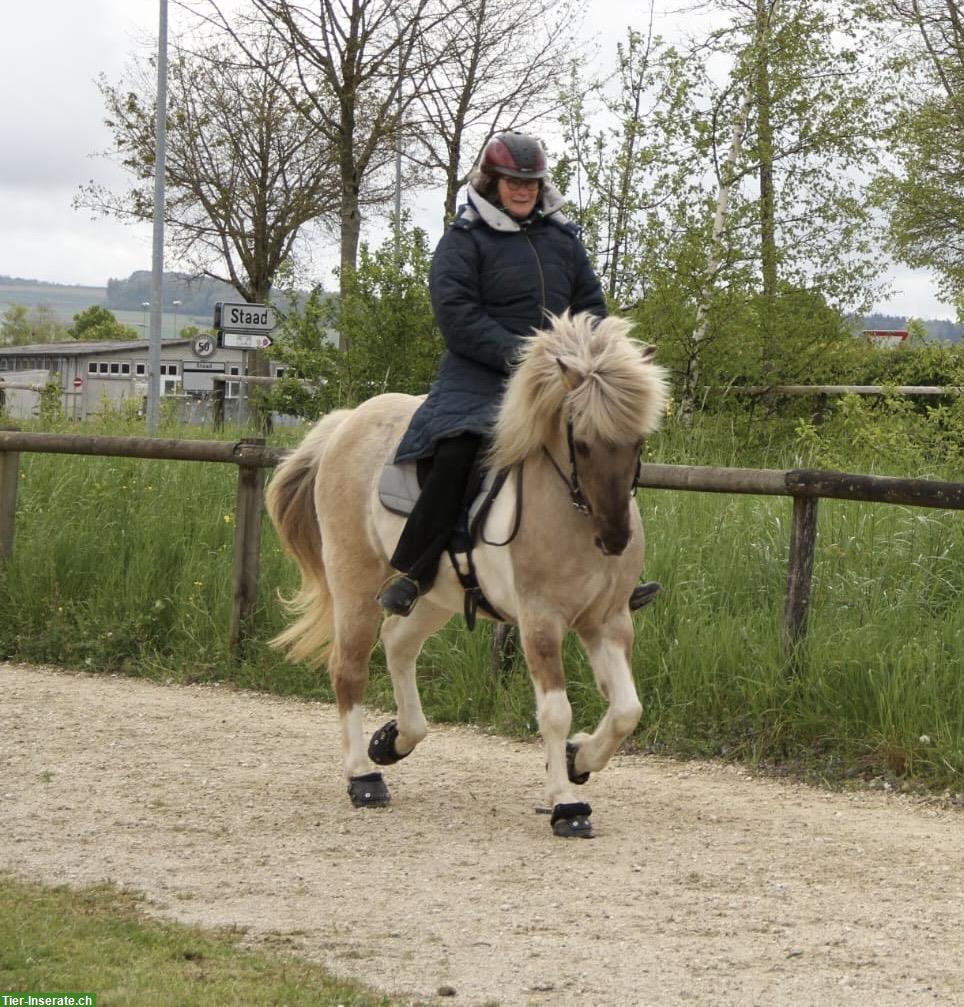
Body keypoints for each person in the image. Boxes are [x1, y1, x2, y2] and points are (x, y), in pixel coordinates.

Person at [377, 130, 658, 617]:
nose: (523, 190)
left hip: (563, 377)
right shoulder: (463, 240)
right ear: (493, 183)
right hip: (479, 377)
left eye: (531, 182)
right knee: (458, 450)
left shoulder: (564, 240)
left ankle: (612, 577)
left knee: (611, 447)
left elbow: (591, 306)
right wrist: (525, 357)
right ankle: (415, 569)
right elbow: (458, 318)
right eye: (513, 181)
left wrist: (601, 357)